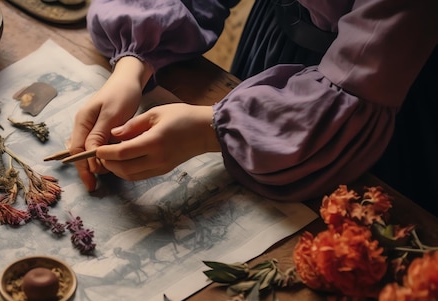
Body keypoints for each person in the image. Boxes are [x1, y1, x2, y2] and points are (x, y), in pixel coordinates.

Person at [69, 0, 438, 216]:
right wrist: (133, 64)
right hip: (275, 49)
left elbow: (364, 74)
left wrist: (208, 129)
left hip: (375, 90)